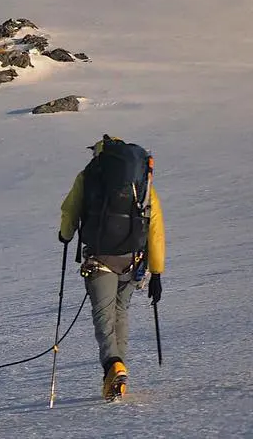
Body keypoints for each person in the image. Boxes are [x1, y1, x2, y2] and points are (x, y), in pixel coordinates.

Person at [59, 135, 165, 400]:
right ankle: (119, 376)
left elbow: (69, 209)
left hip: (100, 258)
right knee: (121, 313)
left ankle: (112, 366)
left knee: (103, 315)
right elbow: (155, 225)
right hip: (133, 260)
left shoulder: (90, 175)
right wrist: (158, 271)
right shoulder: (142, 183)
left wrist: (65, 235)